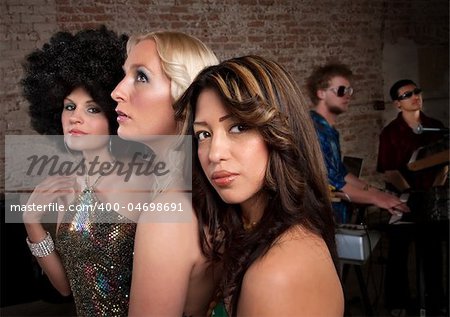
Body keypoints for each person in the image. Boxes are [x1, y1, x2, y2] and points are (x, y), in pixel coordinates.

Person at [174, 55, 344, 316]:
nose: (214, 153)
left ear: (281, 132)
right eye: (204, 134)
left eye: (238, 127)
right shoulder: (245, 231)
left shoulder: (275, 272)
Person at [20, 26, 147, 316]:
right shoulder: (65, 185)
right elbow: (66, 287)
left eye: (92, 109)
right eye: (69, 106)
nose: (75, 117)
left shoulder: (139, 179)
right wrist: (31, 222)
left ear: (114, 117)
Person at [111, 31, 220, 316]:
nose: (117, 91)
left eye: (141, 77)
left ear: (184, 94)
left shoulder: (167, 215)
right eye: (125, 75)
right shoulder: (192, 194)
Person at [306, 62, 410, 224]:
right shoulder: (315, 130)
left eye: (349, 90)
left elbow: (341, 173)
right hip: (322, 220)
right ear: (321, 93)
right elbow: (333, 183)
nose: (348, 95)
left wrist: (375, 190)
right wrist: (377, 198)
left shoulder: (328, 130)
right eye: (341, 90)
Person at [377, 79, 448, 316]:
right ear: (398, 104)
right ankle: (398, 303)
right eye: (407, 95)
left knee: (433, 251)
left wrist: (436, 186)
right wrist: (409, 194)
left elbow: (444, 164)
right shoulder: (389, 133)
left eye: (416, 91)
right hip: (402, 198)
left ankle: (435, 301)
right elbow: (388, 171)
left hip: (433, 198)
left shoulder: (437, 127)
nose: (414, 96)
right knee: (398, 249)